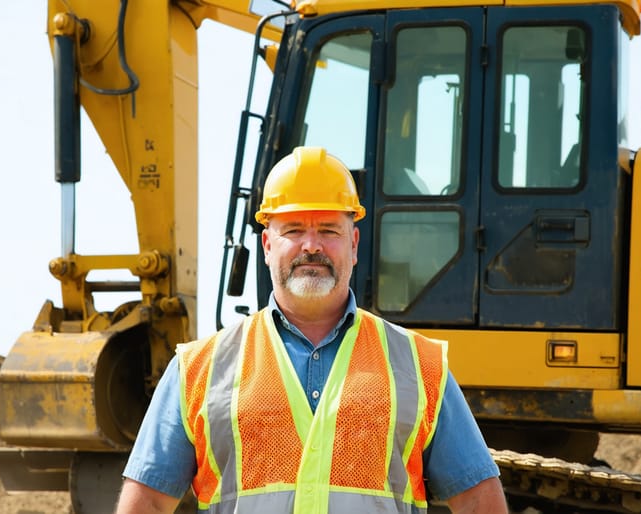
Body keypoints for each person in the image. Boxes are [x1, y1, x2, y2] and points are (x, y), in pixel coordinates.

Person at [116, 146, 508, 514]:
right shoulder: (198, 369)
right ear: (268, 245)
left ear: (353, 244)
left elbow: (479, 501)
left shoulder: (421, 366)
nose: (311, 246)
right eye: (293, 230)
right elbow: (146, 501)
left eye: (328, 230)